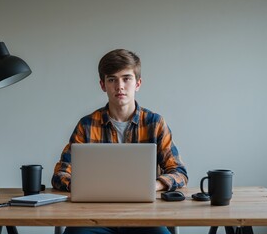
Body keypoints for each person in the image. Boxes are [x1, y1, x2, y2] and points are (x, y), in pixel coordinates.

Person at [51, 49, 188, 234]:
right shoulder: (87, 124)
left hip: (144, 218)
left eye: (126, 78)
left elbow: (179, 172)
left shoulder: (155, 123)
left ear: (138, 83)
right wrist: (83, 187)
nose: (119, 86)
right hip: (93, 219)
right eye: (112, 79)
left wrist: (153, 186)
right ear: (102, 85)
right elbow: (61, 173)